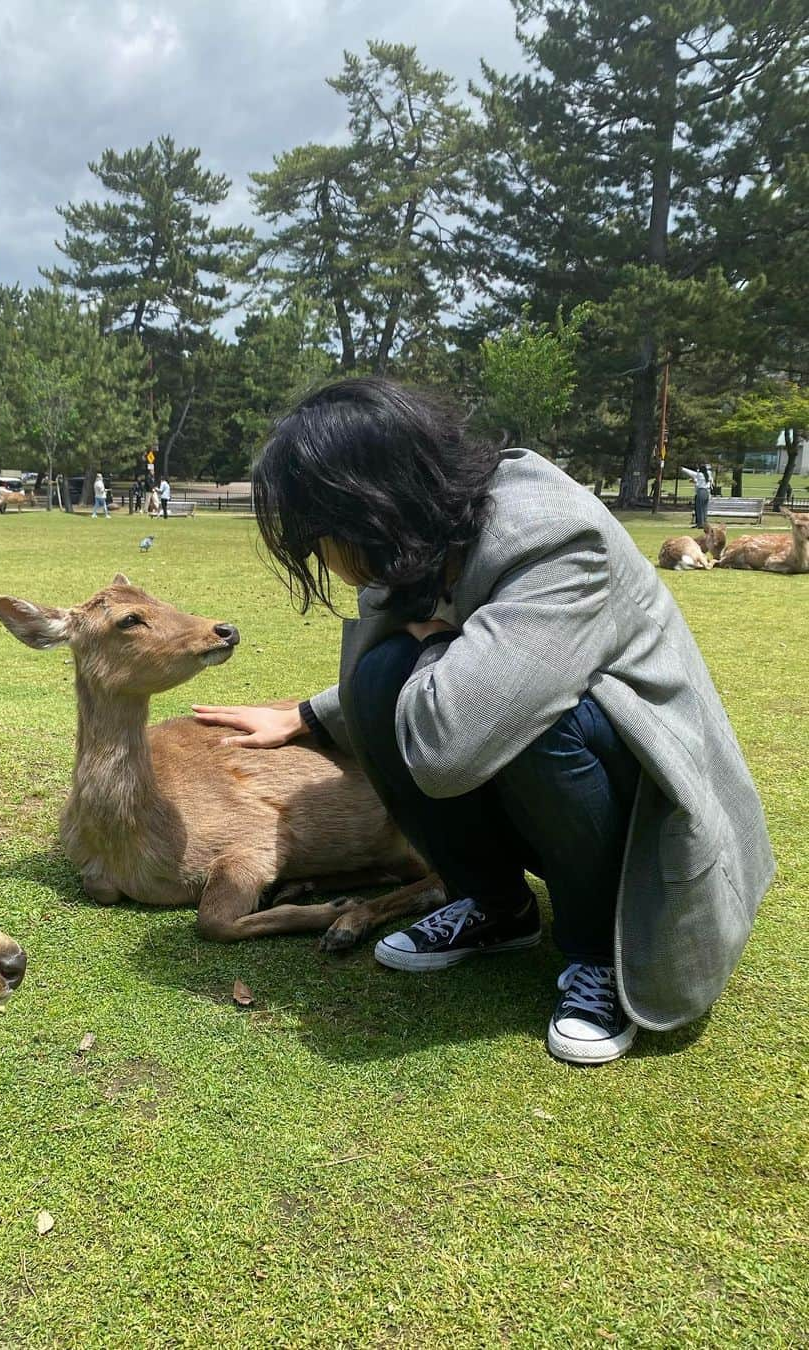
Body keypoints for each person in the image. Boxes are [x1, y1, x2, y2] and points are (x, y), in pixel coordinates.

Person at [194, 378, 773, 1065]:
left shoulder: (553, 536)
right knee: (382, 678)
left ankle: (598, 955)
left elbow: (450, 746)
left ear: (368, 505)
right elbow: (402, 673)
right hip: (547, 755)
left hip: (649, 795)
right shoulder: (420, 534)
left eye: (320, 531)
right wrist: (308, 715)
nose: (319, 553)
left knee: (528, 719)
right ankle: (497, 909)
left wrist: (434, 640)